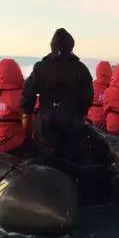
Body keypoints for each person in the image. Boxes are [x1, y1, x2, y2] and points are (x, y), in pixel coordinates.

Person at [21, 28, 93, 159]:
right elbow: (88, 96)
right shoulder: (81, 68)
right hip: (72, 120)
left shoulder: (41, 66)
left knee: (45, 159)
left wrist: (27, 113)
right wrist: (80, 113)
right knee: (71, 159)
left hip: (46, 121)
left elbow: (28, 91)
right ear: (71, 46)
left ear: (52, 46)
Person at [86, 61, 112, 128]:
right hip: (108, 123)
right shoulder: (114, 87)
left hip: (92, 121)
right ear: (110, 72)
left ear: (97, 71)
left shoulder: (90, 86)